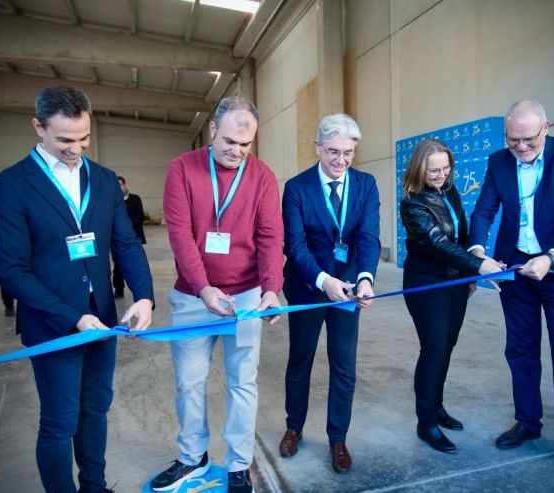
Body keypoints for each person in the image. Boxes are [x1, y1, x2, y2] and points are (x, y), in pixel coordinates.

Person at [0, 85, 155, 493]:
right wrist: (73, 317)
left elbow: (127, 243)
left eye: (83, 138)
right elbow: (12, 271)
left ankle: (94, 487)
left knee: (95, 409)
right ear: (38, 127)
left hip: (103, 321)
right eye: (64, 139)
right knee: (61, 419)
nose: (76, 148)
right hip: (53, 325)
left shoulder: (101, 180)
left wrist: (144, 295)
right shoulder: (12, 185)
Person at [155, 96, 283, 493]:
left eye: (246, 145)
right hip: (194, 297)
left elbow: (270, 237)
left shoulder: (262, 176)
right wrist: (204, 288)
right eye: (229, 141)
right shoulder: (182, 169)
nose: (236, 151)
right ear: (213, 130)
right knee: (189, 383)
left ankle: (239, 464)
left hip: (245, 298)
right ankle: (192, 457)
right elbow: (179, 234)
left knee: (243, 382)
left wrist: (271, 290)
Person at [468, 100, 554, 483]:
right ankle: (527, 422)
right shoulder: (498, 162)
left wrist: (553, 256)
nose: (521, 148)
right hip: (516, 269)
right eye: (513, 140)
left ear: (546, 128)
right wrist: (478, 252)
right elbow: (483, 211)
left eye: (528, 139)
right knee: (521, 350)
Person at [279, 113, 380, 474]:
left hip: (350, 289)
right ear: (317, 147)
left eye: (348, 153)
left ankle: (338, 437)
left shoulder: (366, 185)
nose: (341, 160)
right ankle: (294, 426)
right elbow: (295, 244)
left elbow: (368, 238)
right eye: (333, 151)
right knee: (300, 359)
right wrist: (324, 281)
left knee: (344, 364)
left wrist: (365, 279)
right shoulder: (297, 187)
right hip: (308, 287)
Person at [400, 139, 503, 454]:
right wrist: (480, 266)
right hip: (427, 283)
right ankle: (425, 422)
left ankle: (437, 406)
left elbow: (462, 234)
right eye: (433, 170)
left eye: (445, 168)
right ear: (420, 169)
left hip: (457, 280)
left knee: (447, 347)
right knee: (433, 350)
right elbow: (437, 244)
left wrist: (470, 274)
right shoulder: (412, 203)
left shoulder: (451, 190)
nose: (440, 175)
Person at [112, 175, 147, 298]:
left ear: (125, 184)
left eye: (120, 184)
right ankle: (119, 288)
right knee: (118, 266)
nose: (119, 187)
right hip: (116, 239)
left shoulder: (134, 199)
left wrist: (124, 227)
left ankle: (141, 294)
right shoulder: (112, 200)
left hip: (134, 237)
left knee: (137, 264)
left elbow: (140, 216)